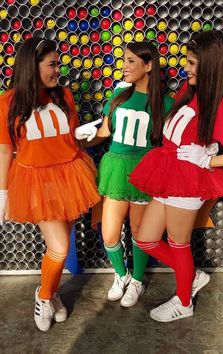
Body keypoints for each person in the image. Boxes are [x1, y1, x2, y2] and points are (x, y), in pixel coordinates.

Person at [129, 30, 223, 322]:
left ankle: (184, 302)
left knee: (179, 243)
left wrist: (210, 159)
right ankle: (190, 274)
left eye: (192, 62)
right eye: (187, 61)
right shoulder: (187, 92)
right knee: (146, 239)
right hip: (166, 174)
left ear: (210, 65)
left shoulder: (222, 105)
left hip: (188, 181)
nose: (186, 67)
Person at [0, 37, 100, 331]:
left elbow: (69, 138)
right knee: (58, 247)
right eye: (52, 64)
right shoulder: (7, 102)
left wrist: (84, 136)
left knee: (60, 244)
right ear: (32, 66)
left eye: (58, 63)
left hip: (71, 174)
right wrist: (2, 192)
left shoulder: (64, 95)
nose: (58, 70)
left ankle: (51, 292)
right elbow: (5, 150)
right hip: (36, 180)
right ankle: (44, 296)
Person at [76, 41, 174, 307]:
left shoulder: (166, 103)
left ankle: (138, 282)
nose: (124, 66)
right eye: (124, 60)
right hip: (116, 169)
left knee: (141, 234)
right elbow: (105, 133)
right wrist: (78, 141)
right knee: (109, 234)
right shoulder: (117, 96)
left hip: (144, 171)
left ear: (148, 65)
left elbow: (171, 143)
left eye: (131, 61)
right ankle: (122, 275)